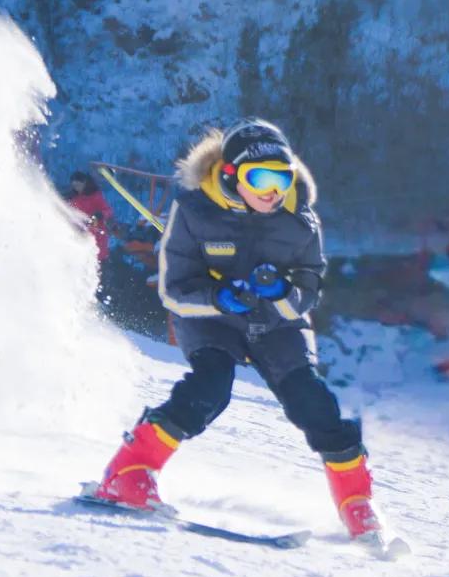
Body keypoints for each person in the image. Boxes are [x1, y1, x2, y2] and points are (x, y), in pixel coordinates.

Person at [89, 118, 384, 542]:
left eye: (282, 178)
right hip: (214, 320)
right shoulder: (194, 211)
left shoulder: (299, 220)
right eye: (260, 178)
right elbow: (174, 289)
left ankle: (357, 502)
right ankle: (129, 472)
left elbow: (308, 290)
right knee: (210, 387)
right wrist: (218, 298)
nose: (273, 191)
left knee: (311, 402)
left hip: (277, 323)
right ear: (231, 175)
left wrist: (282, 290)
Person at [65, 170, 115, 263]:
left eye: (78, 185)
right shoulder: (73, 198)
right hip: (80, 236)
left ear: (84, 182)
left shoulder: (94, 195)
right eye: (74, 186)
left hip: (97, 237)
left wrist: (100, 214)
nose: (76, 188)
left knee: (98, 264)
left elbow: (108, 210)